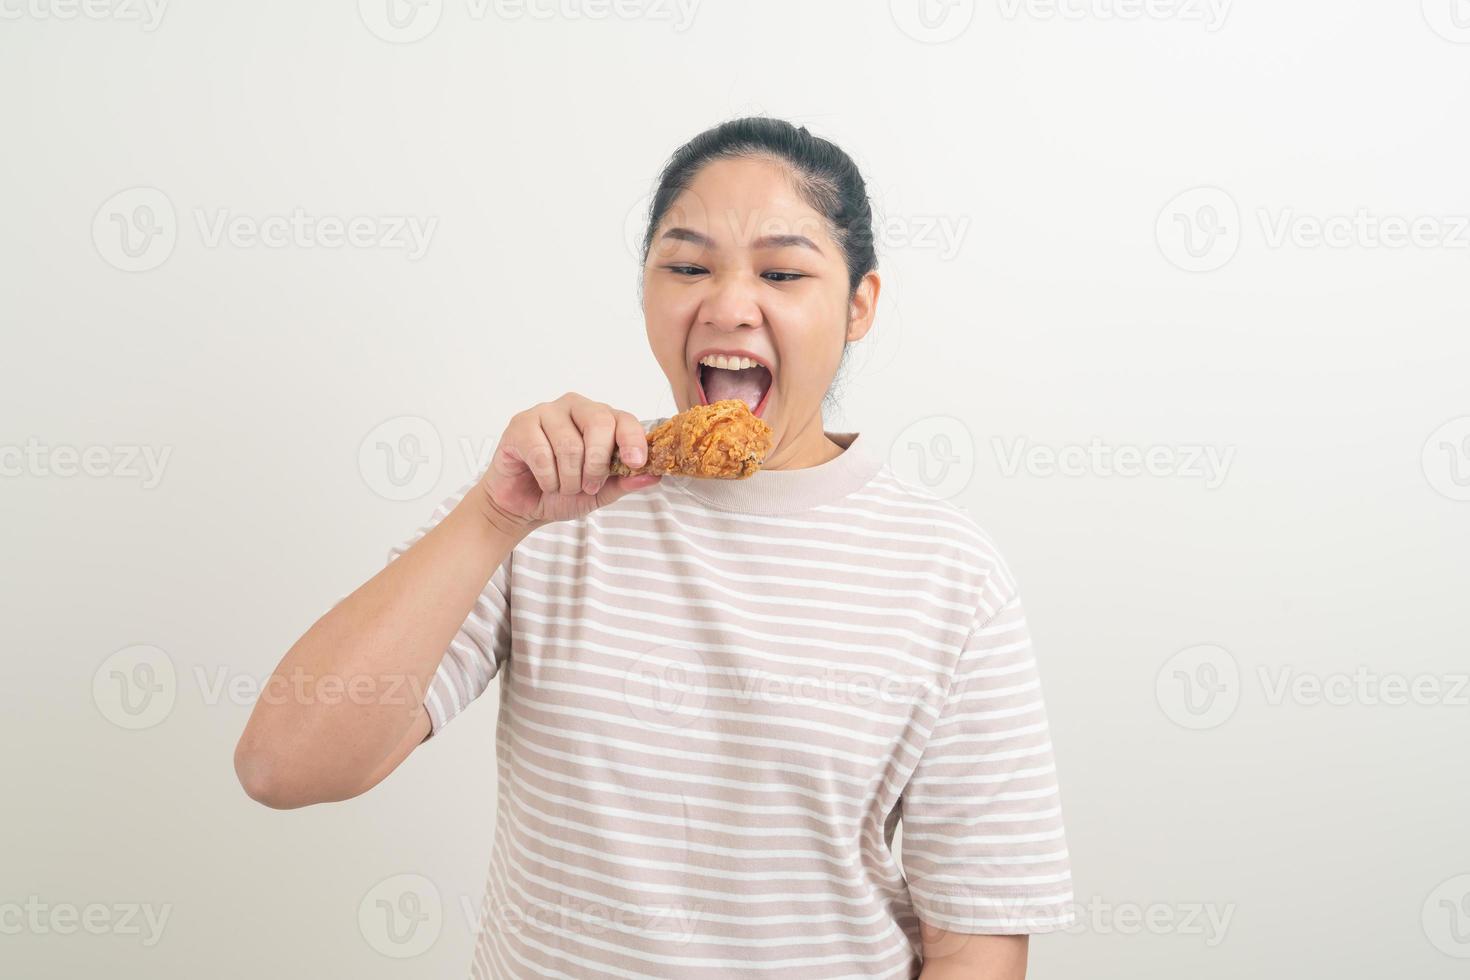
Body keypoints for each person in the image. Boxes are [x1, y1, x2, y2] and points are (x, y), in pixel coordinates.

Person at [234, 116, 1074, 979]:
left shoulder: (951, 574)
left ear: (859, 306)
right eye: (686, 267)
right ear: (645, 290)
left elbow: (976, 940)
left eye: (782, 272)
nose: (728, 305)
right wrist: (493, 518)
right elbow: (281, 765)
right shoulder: (550, 515)